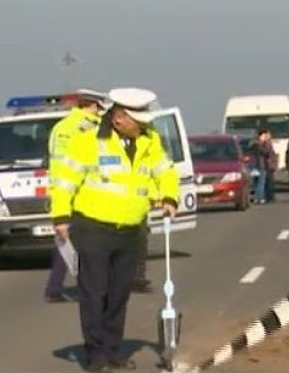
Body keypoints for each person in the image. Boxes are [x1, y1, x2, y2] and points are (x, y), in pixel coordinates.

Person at [49, 87, 179, 372]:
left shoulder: (150, 141)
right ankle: (96, 354)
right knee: (95, 292)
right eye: (138, 119)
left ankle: (112, 350)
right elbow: (64, 180)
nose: (145, 124)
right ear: (119, 118)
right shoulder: (88, 143)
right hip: (94, 227)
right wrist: (60, 216)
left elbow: (166, 171)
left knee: (120, 293)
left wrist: (169, 197)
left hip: (131, 229)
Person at [44, 88, 107, 303]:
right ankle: (91, 285)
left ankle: (54, 286)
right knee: (90, 238)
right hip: (83, 189)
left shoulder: (59, 127)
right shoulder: (91, 127)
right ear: (93, 105)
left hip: (59, 189)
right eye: (99, 107)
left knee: (64, 239)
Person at [250, 129, 272, 204]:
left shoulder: (253, 144)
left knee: (256, 183)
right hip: (261, 165)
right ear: (260, 136)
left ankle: (256, 197)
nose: (265, 137)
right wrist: (266, 143)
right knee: (261, 183)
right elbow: (266, 152)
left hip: (255, 165)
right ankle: (260, 198)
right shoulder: (259, 145)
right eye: (263, 136)